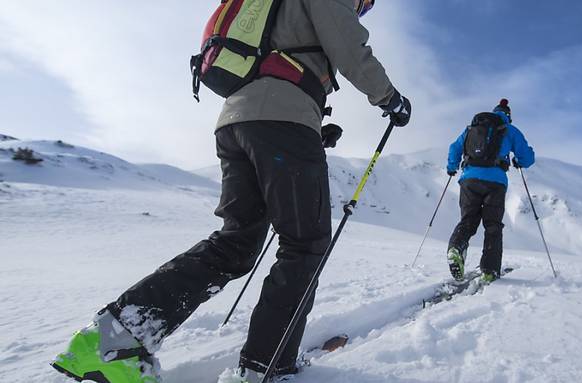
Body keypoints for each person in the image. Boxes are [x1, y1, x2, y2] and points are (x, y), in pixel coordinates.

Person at [51, 1, 411, 382]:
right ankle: (265, 368)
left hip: (237, 121)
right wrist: (390, 97)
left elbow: (280, 62)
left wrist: (310, 122)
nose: (361, 7)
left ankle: (110, 340)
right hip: (282, 119)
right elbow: (347, 45)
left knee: (235, 243)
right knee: (304, 245)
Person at [445, 99, 534, 283]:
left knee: (468, 220)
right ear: (507, 116)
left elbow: (454, 148)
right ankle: (489, 270)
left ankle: (456, 247)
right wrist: (519, 161)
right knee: (492, 225)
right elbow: (527, 157)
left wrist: (452, 167)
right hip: (495, 183)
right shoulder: (509, 130)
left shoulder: (472, 128)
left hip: (469, 179)